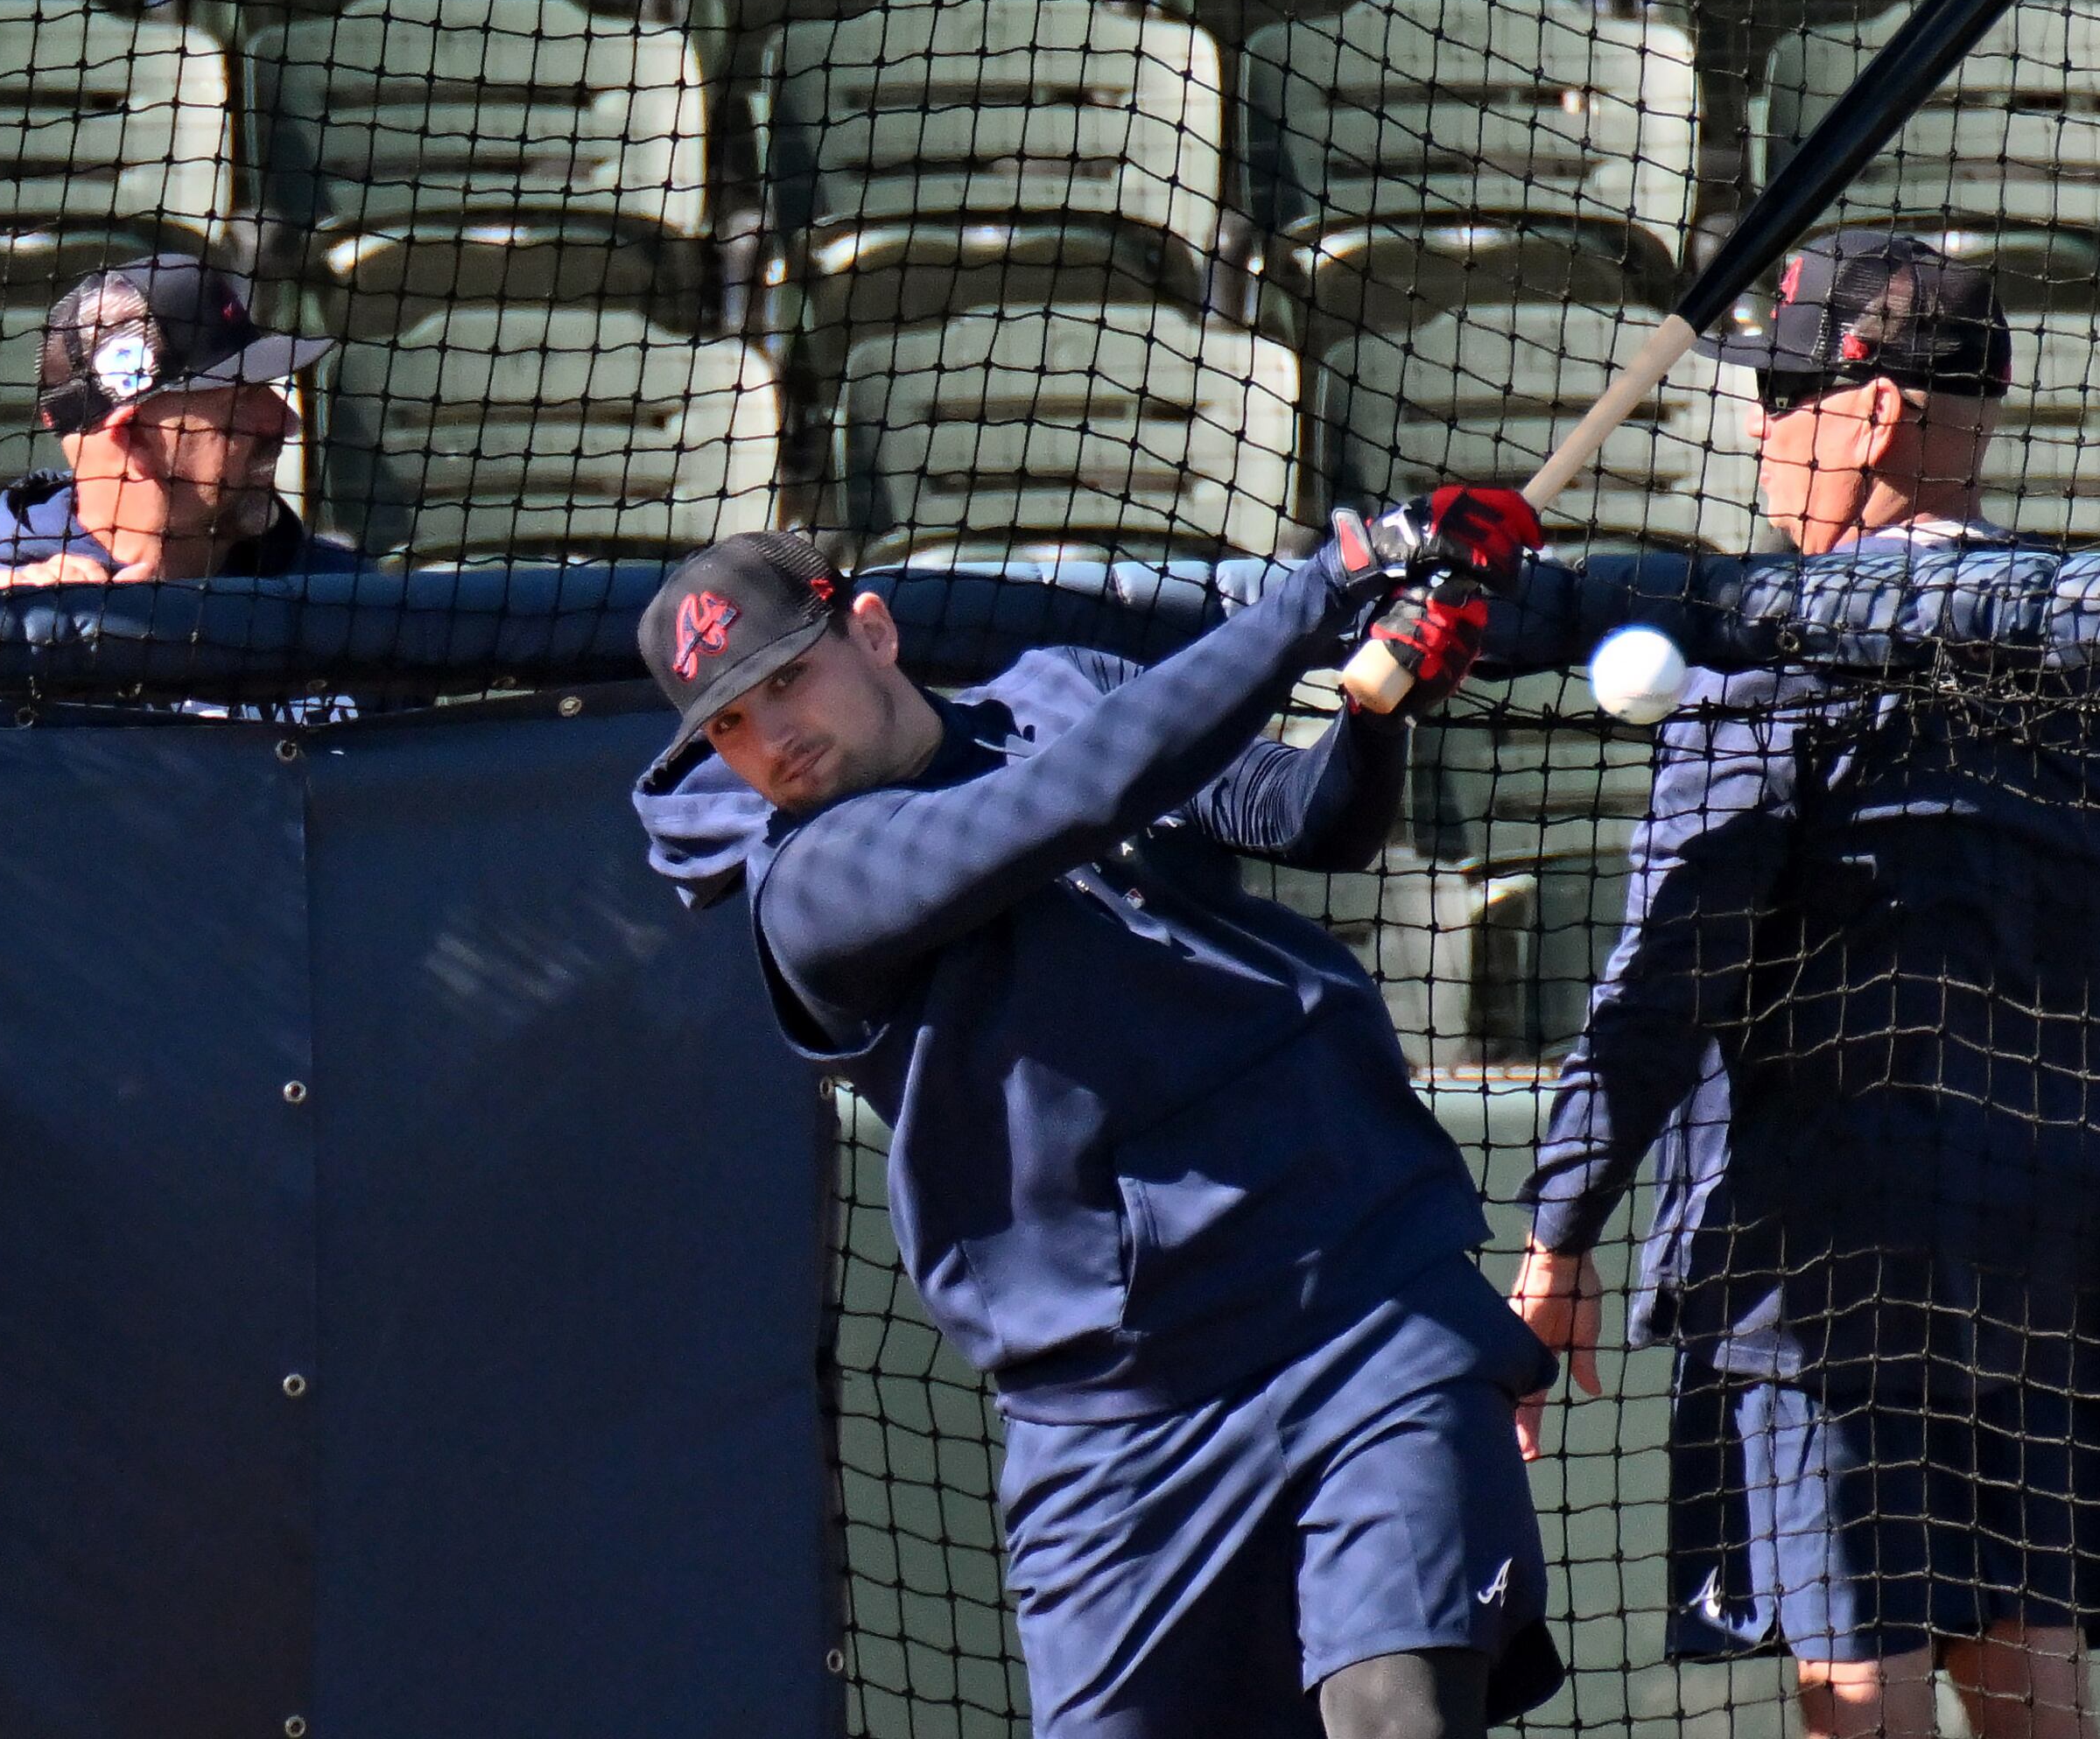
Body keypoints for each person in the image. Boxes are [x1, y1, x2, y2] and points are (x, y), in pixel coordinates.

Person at [634, 509, 1563, 1739]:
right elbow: (1068, 807)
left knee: (1403, 1714)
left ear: (871, 629)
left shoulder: (1062, 691)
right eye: (732, 724)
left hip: (1359, 1307)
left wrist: (1378, 704)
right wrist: (1324, 587)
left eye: (788, 679)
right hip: (1118, 1423)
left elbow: (1311, 819)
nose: (774, 738)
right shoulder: (809, 886)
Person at [1505, 234, 2100, 1739]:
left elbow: (1667, 970)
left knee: (1864, 1689)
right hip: (2068, 1247)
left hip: (1830, 1249)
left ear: (1879, 411)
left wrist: (1560, 1228)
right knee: (2031, 1674)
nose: (1761, 434)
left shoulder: (1773, 642)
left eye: (1781, 400)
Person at [0, 255, 352, 587]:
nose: (287, 421)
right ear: (132, 437)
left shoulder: (339, 595)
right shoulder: (2, 621)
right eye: (240, 402)